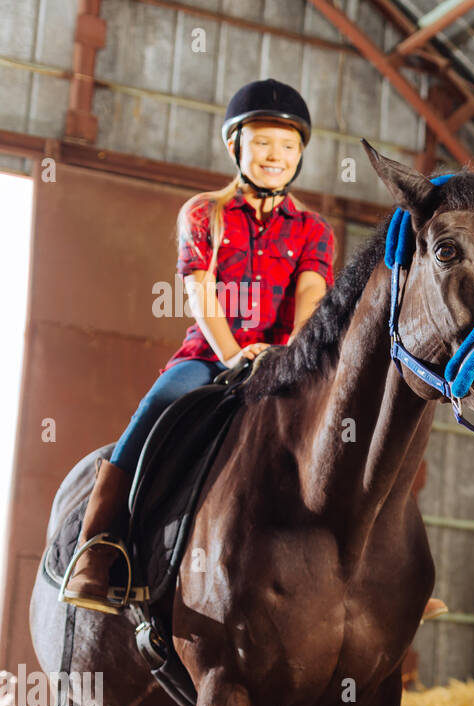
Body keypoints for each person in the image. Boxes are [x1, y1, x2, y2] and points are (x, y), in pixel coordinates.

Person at [60, 78, 335, 614]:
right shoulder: (204, 212)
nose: (274, 155)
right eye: (261, 142)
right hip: (210, 357)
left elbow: (310, 294)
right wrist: (233, 354)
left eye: (286, 146)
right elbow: (199, 292)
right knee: (155, 410)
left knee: (346, 425)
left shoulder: (312, 228)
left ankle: (372, 570)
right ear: (236, 147)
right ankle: (98, 546)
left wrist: (292, 355)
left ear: (300, 154)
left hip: (283, 362)